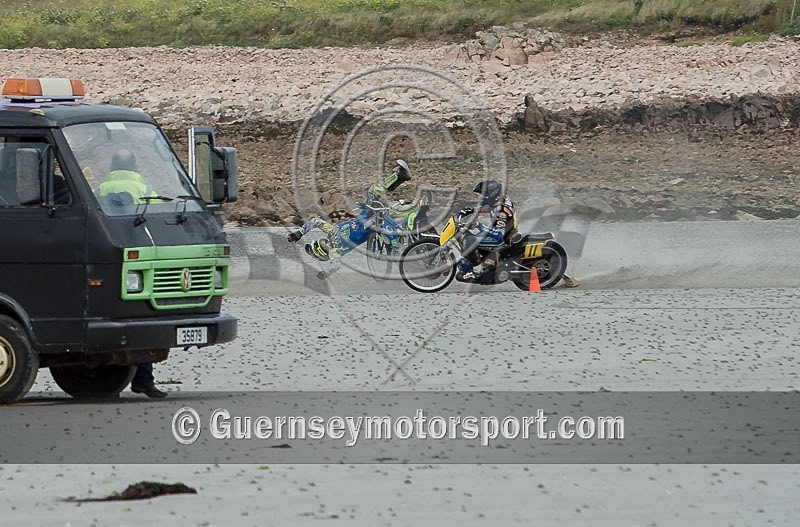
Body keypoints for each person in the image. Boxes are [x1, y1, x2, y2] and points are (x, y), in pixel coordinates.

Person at [287, 159, 413, 279]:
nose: (323, 243)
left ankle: (401, 176)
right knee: (388, 226)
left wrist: (299, 233)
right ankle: (402, 250)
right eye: (321, 246)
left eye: (320, 243)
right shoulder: (336, 252)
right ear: (322, 251)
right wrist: (326, 273)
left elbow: (316, 221)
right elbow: (335, 266)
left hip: (363, 216)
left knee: (374, 193)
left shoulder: (331, 233)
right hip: (367, 226)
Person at [456, 179, 579, 287]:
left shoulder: (501, 211)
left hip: (505, 239)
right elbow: (488, 208)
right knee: (476, 237)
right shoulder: (500, 201)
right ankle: (482, 265)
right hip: (507, 234)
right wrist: (471, 210)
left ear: (490, 195)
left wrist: (480, 226)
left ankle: (482, 269)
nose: (480, 198)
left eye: (483, 195)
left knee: (473, 240)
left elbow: (498, 233)